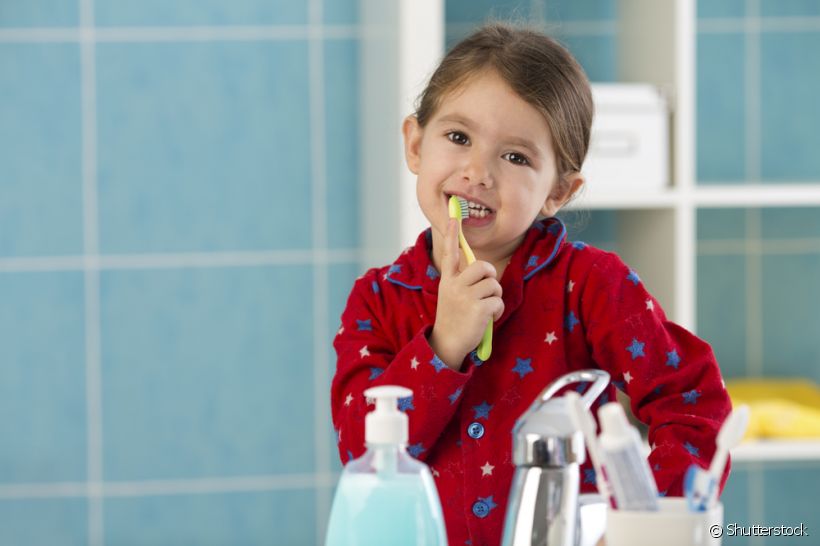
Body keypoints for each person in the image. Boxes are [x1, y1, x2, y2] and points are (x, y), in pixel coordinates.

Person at [330, 22, 731, 546]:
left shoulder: (592, 286)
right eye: (458, 137)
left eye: (515, 157)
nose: (478, 172)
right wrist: (443, 345)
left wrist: (646, 522)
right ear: (414, 144)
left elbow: (693, 402)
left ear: (558, 191)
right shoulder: (378, 301)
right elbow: (362, 453)